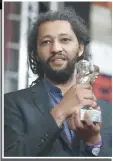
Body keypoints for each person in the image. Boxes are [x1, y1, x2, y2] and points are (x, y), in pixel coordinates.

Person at [4, 7, 111, 157]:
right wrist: (59, 112)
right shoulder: (11, 104)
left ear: (80, 48)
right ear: (36, 52)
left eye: (65, 40)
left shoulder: (107, 112)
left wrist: (94, 142)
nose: (55, 48)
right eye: (46, 42)